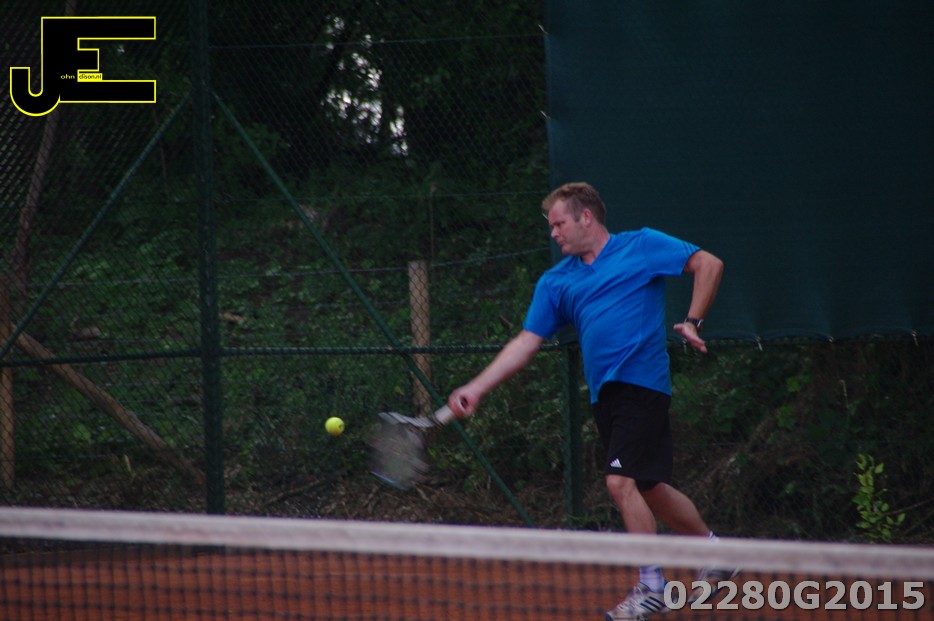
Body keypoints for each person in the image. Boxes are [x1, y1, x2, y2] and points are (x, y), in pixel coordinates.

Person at [447, 182, 731, 620]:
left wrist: (693, 320)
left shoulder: (641, 246)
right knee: (650, 486)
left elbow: (708, 263)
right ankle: (715, 553)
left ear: (586, 217)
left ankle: (651, 586)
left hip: (643, 384)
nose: (553, 233)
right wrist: (477, 387)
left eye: (559, 223)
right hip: (604, 395)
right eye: (551, 226)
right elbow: (526, 342)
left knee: (619, 483)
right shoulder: (556, 281)